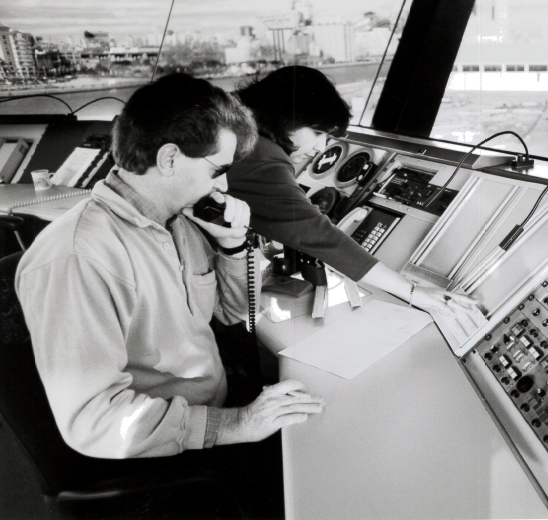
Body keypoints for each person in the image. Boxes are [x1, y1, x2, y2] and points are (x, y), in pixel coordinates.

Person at [15, 73, 324, 463]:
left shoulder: (179, 222)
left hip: (213, 405)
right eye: (216, 170)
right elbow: (93, 421)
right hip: (169, 444)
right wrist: (236, 425)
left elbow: (231, 314)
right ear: (170, 159)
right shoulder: (78, 259)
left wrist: (232, 245)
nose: (224, 187)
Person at [227, 66, 475, 315]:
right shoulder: (263, 157)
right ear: (284, 115)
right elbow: (319, 235)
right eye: (318, 132)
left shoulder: (243, 136)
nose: (319, 148)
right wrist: (413, 292)